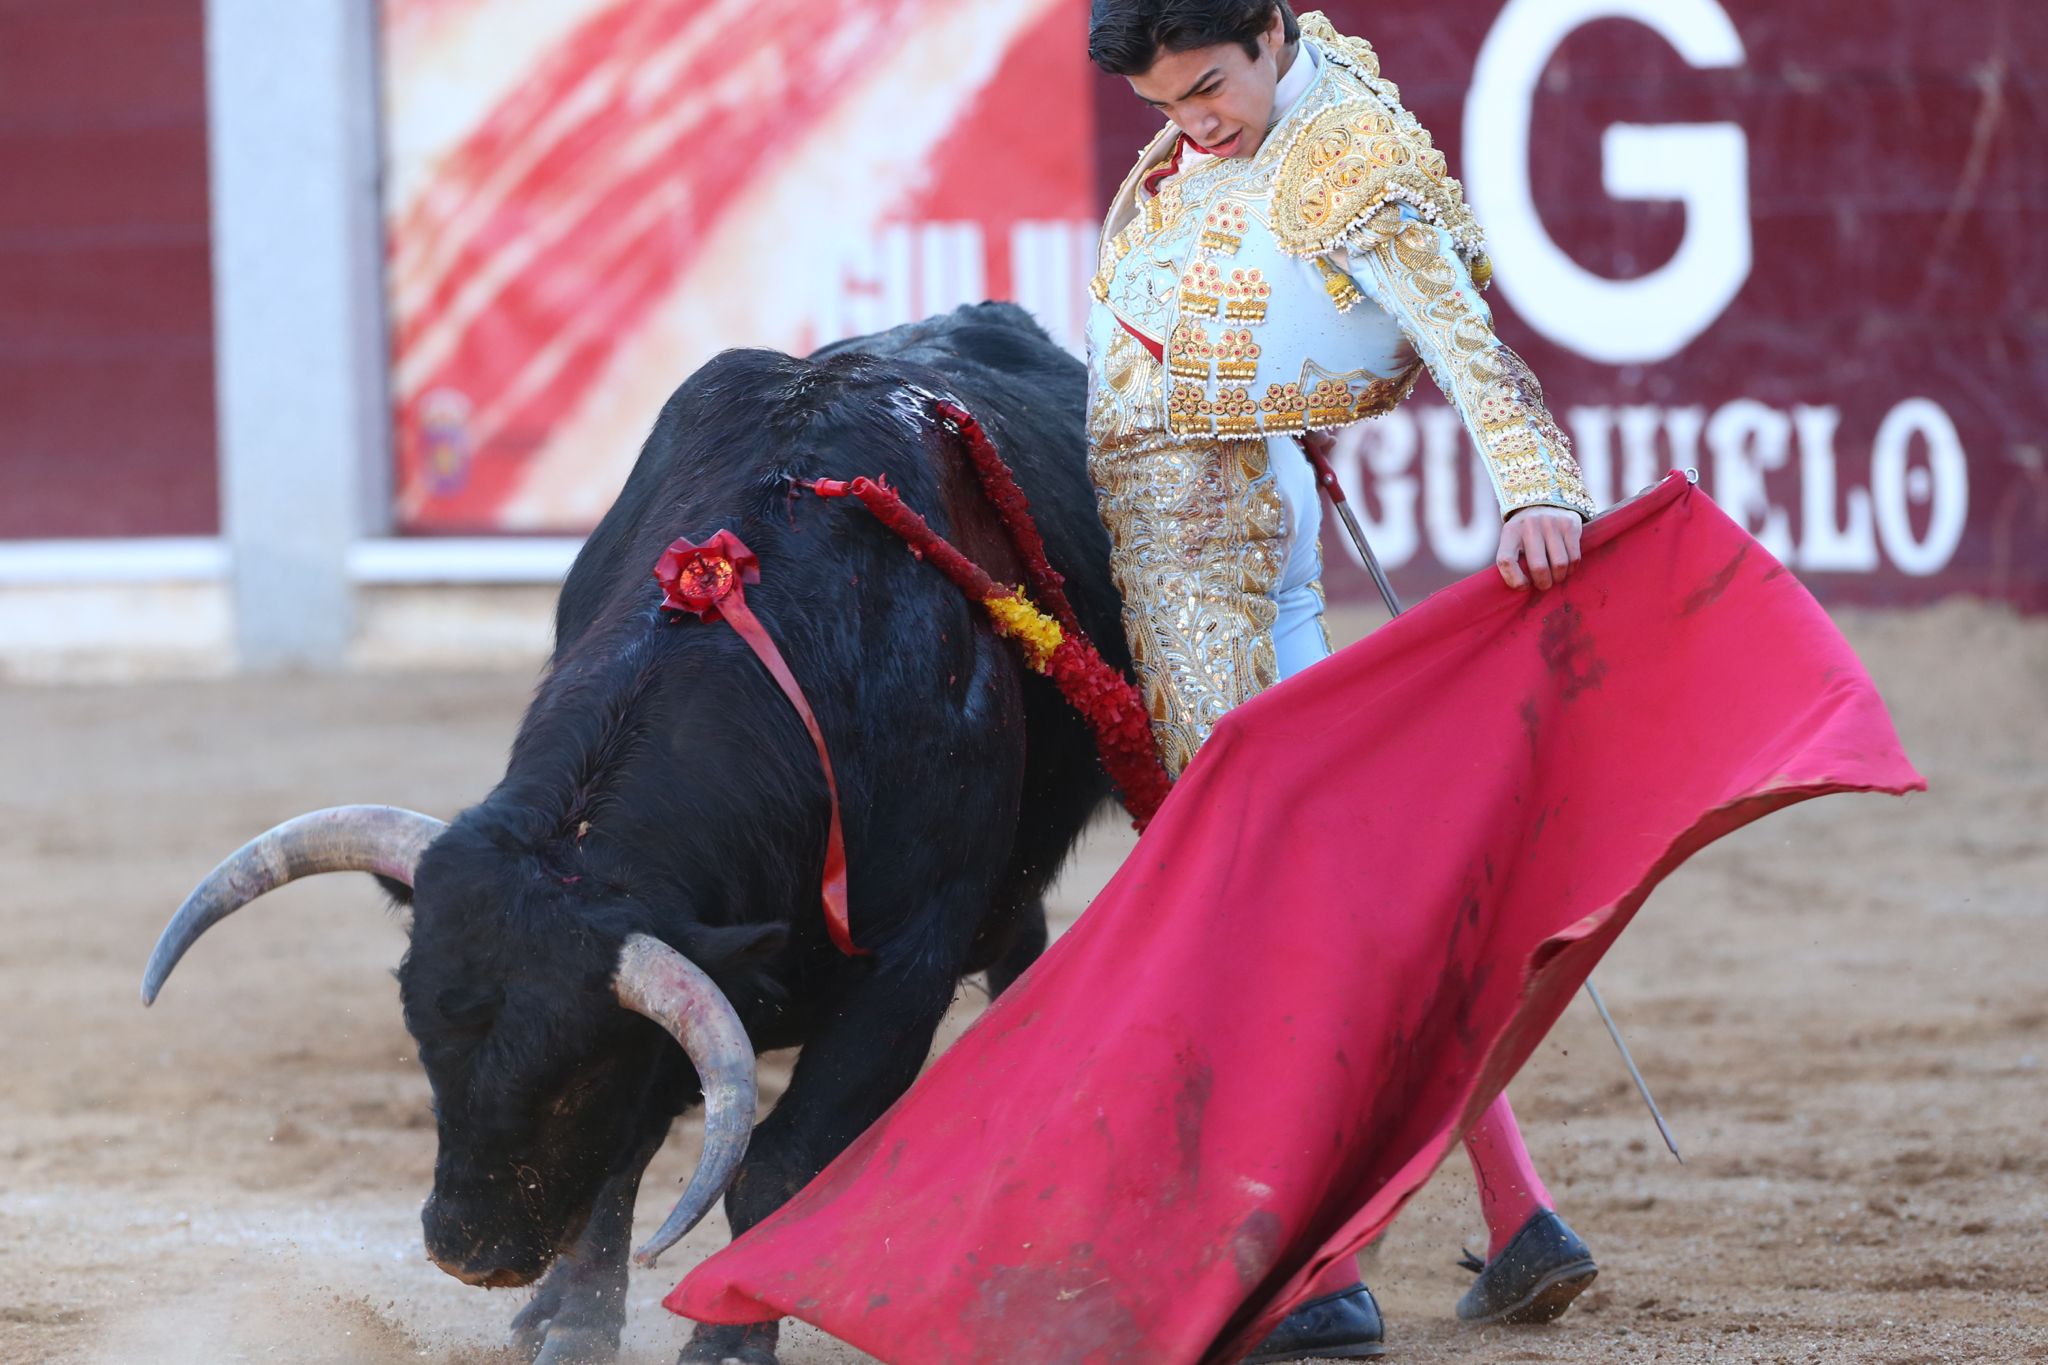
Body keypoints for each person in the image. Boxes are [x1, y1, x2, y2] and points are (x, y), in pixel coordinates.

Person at [1084, 3, 1600, 1356]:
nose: (1192, 123)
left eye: (1207, 88)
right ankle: (1518, 1207)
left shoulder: (1343, 147)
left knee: (1265, 904)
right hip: (1248, 507)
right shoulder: (1280, 112)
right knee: (1351, 888)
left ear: (1267, 33)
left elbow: (1457, 325)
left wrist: (1535, 487)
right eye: (1163, 105)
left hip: (1210, 565)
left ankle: (1322, 1271)